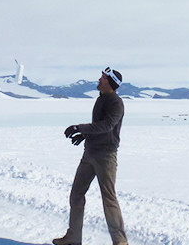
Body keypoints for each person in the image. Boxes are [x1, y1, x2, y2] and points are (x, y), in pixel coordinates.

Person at [53, 67, 128, 245]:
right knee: (76, 194)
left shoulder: (116, 103)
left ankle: (120, 242)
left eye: (102, 78)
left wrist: (80, 128)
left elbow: (107, 126)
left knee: (109, 199)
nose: (99, 79)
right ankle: (73, 237)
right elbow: (99, 125)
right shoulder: (101, 99)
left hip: (106, 157)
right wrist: (85, 135)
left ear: (110, 83)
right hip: (90, 153)